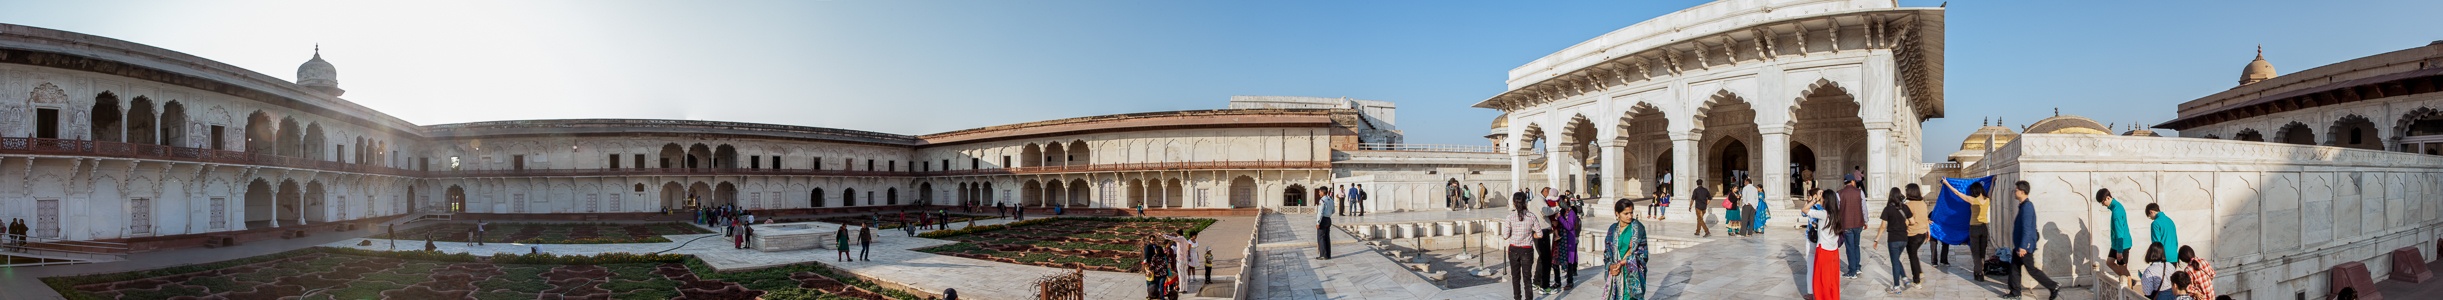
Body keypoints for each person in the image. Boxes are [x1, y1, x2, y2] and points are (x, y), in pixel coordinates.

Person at [2005, 180, 2061, 299]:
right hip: (2020, 245)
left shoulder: (2027, 207)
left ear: (2022, 192)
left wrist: (2024, 246)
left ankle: (2053, 286)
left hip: (2024, 247)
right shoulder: (2023, 206)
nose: (2015, 192)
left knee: (2031, 270)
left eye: (2016, 190)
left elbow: (2027, 229)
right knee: (2014, 268)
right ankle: (2015, 292)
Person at [1938, 180, 1994, 282]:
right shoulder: (1987, 200)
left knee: (1975, 252)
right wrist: (1993, 180)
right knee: (1982, 252)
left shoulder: (1973, 200)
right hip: (1984, 228)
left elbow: (1957, 193)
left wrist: (1946, 183)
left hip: (1974, 228)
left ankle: (1979, 273)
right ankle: (1978, 271)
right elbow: (1991, 190)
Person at [1504, 196, 1549, 300]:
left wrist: (1514, 233)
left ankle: (1517, 298)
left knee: (1515, 278)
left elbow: (1505, 235)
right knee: (1527, 278)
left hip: (1514, 249)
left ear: (1514, 203)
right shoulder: (1532, 216)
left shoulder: (1510, 217)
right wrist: (1531, 235)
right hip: (1527, 250)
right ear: (1525, 202)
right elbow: (1540, 234)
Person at [1603, 198, 1649, 300]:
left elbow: (1643, 254)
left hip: (1631, 271)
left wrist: (1625, 262)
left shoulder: (1638, 229)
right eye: (1626, 213)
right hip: (1616, 271)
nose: (1630, 216)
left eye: (1631, 213)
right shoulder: (1612, 229)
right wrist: (1610, 266)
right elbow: (1607, 252)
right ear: (1617, 214)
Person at [1877, 187, 1915, 292]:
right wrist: (1905, 222)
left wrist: (1877, 239)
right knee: (1896, 260)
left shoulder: (1887, 209)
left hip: (1893, 239)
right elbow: (1912, 221)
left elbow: (1883, 226)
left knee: (1894, 262)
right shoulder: (1905, 208)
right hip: (1904, 239)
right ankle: (1905, 279)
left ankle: (1897, 287)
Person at [1807, 191, 1842, 300]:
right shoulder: (1837, 215)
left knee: (1821, 279)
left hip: (1823, 251)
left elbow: (1804, 210)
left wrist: (1814, 200)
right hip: (1834, 251)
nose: (1820, 199)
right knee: (1833, 280)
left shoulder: (1823, 214)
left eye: (1822, 198)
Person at [2096, 188, 2134, 278]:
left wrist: (2119, 251)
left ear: (2108, 198)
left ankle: (2129, 287)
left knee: (2123, 269)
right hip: (2116, 244)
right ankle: (2129, 281)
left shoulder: (2117, 211)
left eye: (2103, 202)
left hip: (2122, 244)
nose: (2103, 204)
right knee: (2109, 262)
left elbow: (2119, 232)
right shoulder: (2115, 207)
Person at [1837, 178, 1866, 278]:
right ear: (1852, 181)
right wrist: (1865, 220)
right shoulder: (1860, 192)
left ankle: (1852, 271)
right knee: (1856, 245)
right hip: (1858, 223)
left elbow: (1838, 209)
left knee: (1850, 248)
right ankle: (1857, 267)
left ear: (1844, 182)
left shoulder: (1839, 193)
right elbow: (1864, 208)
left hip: (1846, 224)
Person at [1902, 184, 1930, 285]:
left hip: (1912, 234)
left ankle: (1916, 280)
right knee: (1914, 255)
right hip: (1922, 233)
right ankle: (1920, 272)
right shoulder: (1923, 204)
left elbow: (1907, 221)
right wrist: (1928, 232)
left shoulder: (1908, 206)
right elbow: (1925, 219)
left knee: (1912, 256)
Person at [1557, 194, 1583, 290]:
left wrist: (1560, 218)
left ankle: (1570, 281)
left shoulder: (1571, 212)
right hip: (1562, 239)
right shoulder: (1562, 212)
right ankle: (1559, 281)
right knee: (1563, 260)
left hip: (1569, 239)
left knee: (1569, 261)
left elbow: (1569, 226)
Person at [1315, 189, 1337, 260]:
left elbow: (1320, 212)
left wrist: (1318, 222)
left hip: (1323, 220)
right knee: (1327, 237)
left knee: (1321, 237)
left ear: (1322, 192)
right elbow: (1333, 211)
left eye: (1319, 192)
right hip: (1328, 219)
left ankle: (1323, 255)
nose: (1319, 193)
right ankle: (1328, 254)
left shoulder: (1322, 200)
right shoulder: (1330, 200)